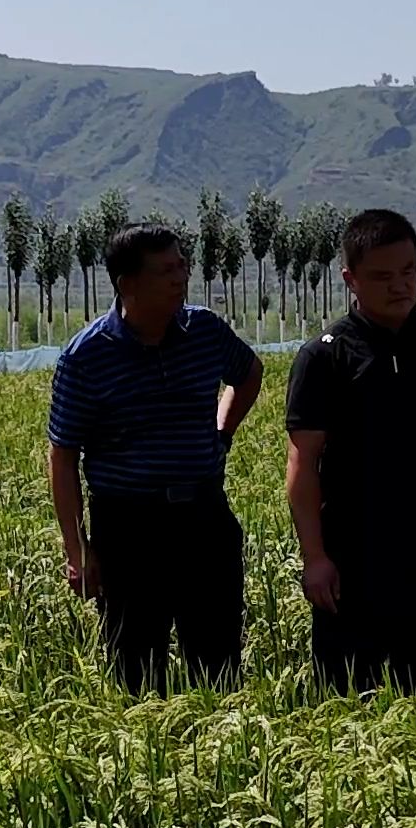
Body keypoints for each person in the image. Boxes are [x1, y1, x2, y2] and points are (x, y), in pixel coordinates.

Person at [285, 207, 416, 692]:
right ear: (350, 278)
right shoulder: (325, 356)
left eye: (408, 271)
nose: (400, 285)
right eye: (382, 276)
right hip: (350, 563)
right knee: (342, 702)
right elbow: (302, 463)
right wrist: (314, 556)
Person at [49, 223, 265, 689]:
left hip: (203, 516)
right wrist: (77, 548)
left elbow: (248, 373)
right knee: (135, 664)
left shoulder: (203, 329)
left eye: (182, 267)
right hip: (129, 527)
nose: (179, 279)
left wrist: (221, 432)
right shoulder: (86, 357)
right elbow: (62, 456)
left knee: (218, 661)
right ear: (128, 284)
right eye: (166, 270)